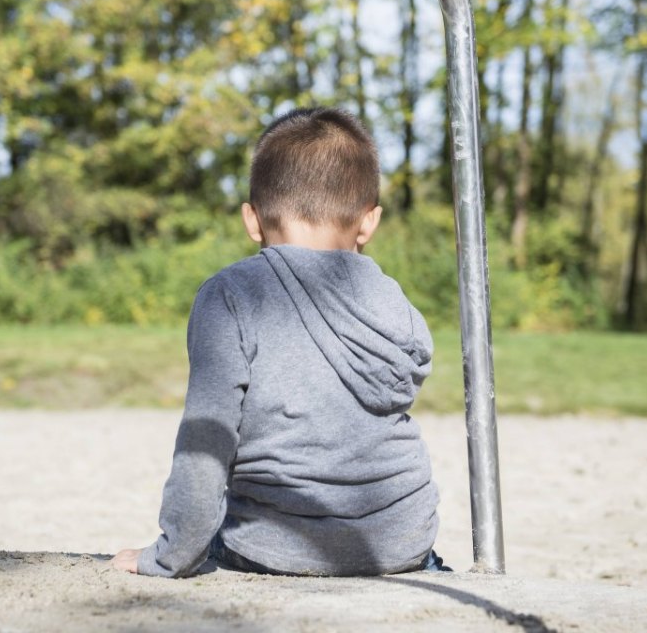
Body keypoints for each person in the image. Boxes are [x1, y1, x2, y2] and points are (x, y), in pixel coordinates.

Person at [111, 107, 446, 578]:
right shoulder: (393, 301)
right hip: (399, 548)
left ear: (252, 219)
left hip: (273, 550)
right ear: (369, 222)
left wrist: (171, 554)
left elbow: (207, 437)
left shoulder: (230, 295)